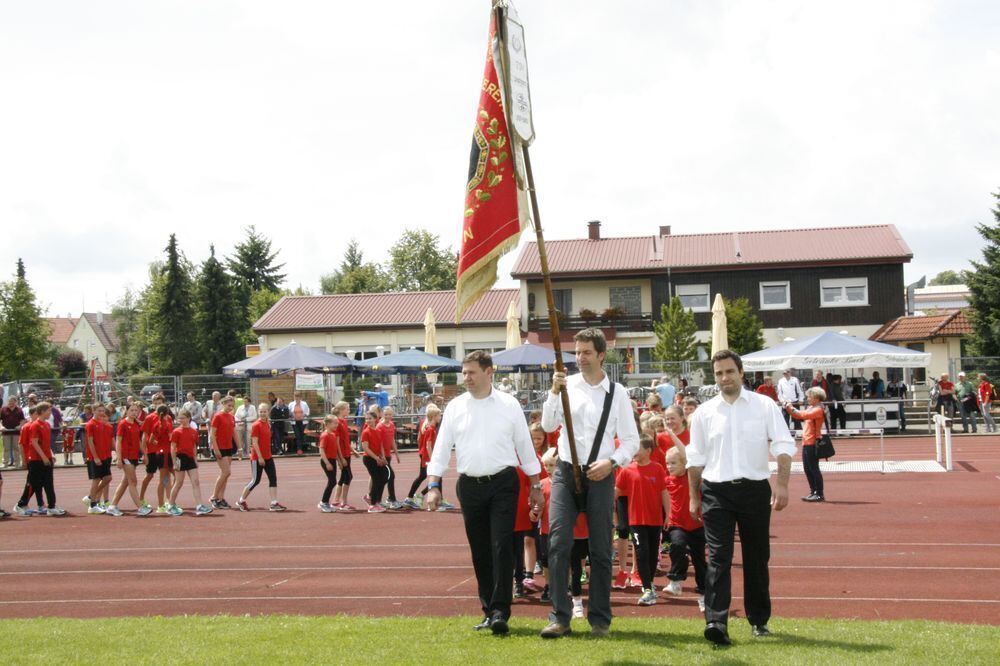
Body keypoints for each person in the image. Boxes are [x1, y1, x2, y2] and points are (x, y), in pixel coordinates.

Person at [425, 350, 543, 636]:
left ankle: (502, 610)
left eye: (472, 372)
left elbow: (524, 445)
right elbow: (441, 447)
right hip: (469, 486)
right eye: (464, 373)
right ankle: (489, 610)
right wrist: (433, 485)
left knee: (501, 546)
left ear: (489, 372)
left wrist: (536, 484)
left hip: (503, 483)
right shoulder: (455, 407)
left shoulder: (509, 405)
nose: (466, 378)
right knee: (480, 551)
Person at [687, 350, 795, 645]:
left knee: (757, 557)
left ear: (741, 372)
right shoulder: (704, 413)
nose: (724, 378)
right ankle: (716, 622)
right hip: (716, 491)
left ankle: (759, 620)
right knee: (719, 558)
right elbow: (695, 458)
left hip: (754, 489)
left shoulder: (764, 406)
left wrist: (782, 485)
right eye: (719, 373)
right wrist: (693, 498)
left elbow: (784, 445)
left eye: (729, 372)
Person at [539, 328, 640, 639]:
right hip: (566, 472)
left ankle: (599, 620)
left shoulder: (617, 393)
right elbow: (547, 425)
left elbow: (632, 441)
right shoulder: (566, 386)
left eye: (585, 353)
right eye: (576, 353)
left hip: (601, 474)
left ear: (600, 354)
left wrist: (612, 462)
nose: (579, 358)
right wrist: (554, 392)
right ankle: (560, 617)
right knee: (558, 544)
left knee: (599, 549)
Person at [615, 433, 669, 606]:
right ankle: (647, 589)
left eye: (637, 448)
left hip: (655, 519)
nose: (634, 452)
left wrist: (668, 514)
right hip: (636, 520)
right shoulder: (627, 470)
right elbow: (615, 492)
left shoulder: (658, 468)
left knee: (653, 554)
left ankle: (650, 585)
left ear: (648, 450)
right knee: (642, 552)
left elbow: (663, 492)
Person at [663, 445, 706, 611]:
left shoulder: (691, 477)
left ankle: (704, 596)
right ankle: (676, 580)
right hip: (677, 525)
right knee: (677, 545)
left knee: (700, 562)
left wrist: (671, 433)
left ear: (684, 463)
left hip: (696, 525)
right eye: (667, 463)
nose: (669, 466)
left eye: (673, 462)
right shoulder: (667, 481)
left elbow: (686, 454)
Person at [18, 402, 65, 515]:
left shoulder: (47, 425)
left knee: (49, 482)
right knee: (33, 483)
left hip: (46, 458)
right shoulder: (35, 425)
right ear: (42, 411)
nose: (50, 413)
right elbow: (34, 442)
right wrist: (43, 457)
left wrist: (50, 455)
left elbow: (46, 443)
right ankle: (21, 504)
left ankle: (51, 506)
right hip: (36, 459)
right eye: (48, 411)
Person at [237, 404, 286, 512]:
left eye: (264, 411)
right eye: (261, 411)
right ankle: (241, 500)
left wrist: (268, 455)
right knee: (255, 480)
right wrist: (260, 457)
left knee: (273, 478)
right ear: (258, 412)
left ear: (268, 412)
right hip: (257, 457)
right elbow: (254, 442)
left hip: (268, 456)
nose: (263, 413)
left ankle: (273, 503)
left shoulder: (268, 424)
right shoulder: (256, 425)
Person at [166, 410, 213, 516]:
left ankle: (199, 505)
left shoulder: (193, 431)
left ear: (188, 418)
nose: (181, 420)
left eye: (183, 418)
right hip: (180, 457)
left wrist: (195, 460)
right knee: (179, 482)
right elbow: (173, 447)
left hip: (190, 458)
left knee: (196, 481)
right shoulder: (176, 431)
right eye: (179, 418)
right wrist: (174, 462)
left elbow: (193, 447)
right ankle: (171, 505)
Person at [107, 404, 151, 516]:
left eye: (136, 410)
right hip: (126, 456)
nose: (134, 412)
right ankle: (140, 507)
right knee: (133, 481)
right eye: (132, 410)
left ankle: (112, 506)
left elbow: (139, 441)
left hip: (134, 456)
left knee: (125, 482)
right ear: (127, 411)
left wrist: (145, 454)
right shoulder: (123, 424)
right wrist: (119, 458)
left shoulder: (136, 424)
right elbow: (118, 441)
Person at [786, 387, 828, 502]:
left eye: (809, 396)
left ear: (816, 397)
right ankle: (813, 491)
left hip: (813, 442)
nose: (807, 398)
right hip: (806, 441)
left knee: (814, 468)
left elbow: (802, 415)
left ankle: (819, 493)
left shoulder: (818, 409)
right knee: (807, 468)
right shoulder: (811, 407)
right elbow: (797, 415)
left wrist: (791, 407)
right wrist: (789, 408)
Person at [404, 403, 441, 509]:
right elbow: (428, 445)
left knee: (424, 476)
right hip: (427, 456)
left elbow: (419, 439)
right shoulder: (430, 429)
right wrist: (432, 458)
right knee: (434, 477)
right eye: (439, 415)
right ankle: (417, 496)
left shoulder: (426, 425)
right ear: (434, 416)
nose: (440, 417)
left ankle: (413, 496)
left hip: (424, 454)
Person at [139, 404, 173, 513]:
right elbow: (145, 436)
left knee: (168, 475)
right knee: (150, 475)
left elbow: (169, 435)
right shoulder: (150, 418)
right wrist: (145, 453)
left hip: (164, 451)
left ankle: (168, 500)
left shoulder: (168, 419)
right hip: (153, 452)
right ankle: (142, 498)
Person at [82, 405, 114, 514]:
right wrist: (95, 457)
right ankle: (92, 505)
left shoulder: (101, 424)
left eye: (102, 411)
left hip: (104, 455)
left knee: (108, 478)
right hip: (94, 457)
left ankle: (91, 496)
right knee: (96, 480)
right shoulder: (91, 424)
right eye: (99, 410)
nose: (101, 413)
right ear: (93, 411)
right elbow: (90, 442)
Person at [209, 396, 237, 509]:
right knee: (226, 472)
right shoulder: (218, 416)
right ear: (223, 404)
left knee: (225, 474)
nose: (230, 408)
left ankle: (221, 498)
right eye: (228, 405)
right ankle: (214, 497)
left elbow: (234, 433)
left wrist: (240, 448)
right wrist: (215, 449)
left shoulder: (231, 417)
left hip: (228, 447)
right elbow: (212, 434)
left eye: (232, 406)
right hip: (219, 447)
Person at [331, 401, 357, 511]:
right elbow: (336, 442)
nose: (349, 410)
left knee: (343, 477)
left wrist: (353, 450)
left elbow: (345, 440)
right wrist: (340, 458)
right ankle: (344, 502)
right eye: (347, 408)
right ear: (341, 410)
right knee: (348, 476)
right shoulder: (337, 422)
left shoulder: (344, 421)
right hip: (343, 454)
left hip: (347, 452)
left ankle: (336, 501)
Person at [360, 409, 388, 513]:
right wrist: (376, 458)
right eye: (366, 419)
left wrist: (383, 456)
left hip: (377, 458)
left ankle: (373, 499)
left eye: (370, 418)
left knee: (384, 477)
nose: (368, 420)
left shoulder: (378, 431)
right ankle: (372, 505)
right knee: (376, 479)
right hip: (369, 459)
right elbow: (365, 448)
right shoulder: (365, 432)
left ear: (376, 419)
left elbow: (380, 445)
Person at [318, 415, 347, 512]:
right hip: (327, 461)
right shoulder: (325, 435)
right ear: (328, 424)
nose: (337, 425)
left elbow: (335, 450)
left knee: (332, 481)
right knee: (332, 481)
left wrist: (339, 461)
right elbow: (321, 450)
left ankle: (325, 502)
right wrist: (327, 463)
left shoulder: (333, 434)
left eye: (337, 423)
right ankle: (323, 502)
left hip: (332, 460)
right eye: (335, 423)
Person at [379, 406, 402, 509]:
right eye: (386, 414)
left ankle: (378, 498)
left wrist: (396, 454)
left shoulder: (392, 425)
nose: (388, 416)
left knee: (385, 478)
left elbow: (392, 440)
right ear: (383, 414)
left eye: (390, 414)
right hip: (381, 456)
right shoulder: (380, 426)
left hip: (388, 455)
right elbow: (379, 443)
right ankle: (392, 499)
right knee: (390, 476)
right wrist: (382, 456)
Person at [1, 396, 25, 468]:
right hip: (6, 432)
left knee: (16, 448)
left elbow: (23, 420)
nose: (11, 403)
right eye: (9, 401)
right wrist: (1, 427)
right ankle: (5, 464)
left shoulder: (19, 410)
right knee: (6, 448)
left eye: (12, 401)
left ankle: (17, 464)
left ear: (15, 402)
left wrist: (20, 426)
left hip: (16, 432)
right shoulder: (3, 409)